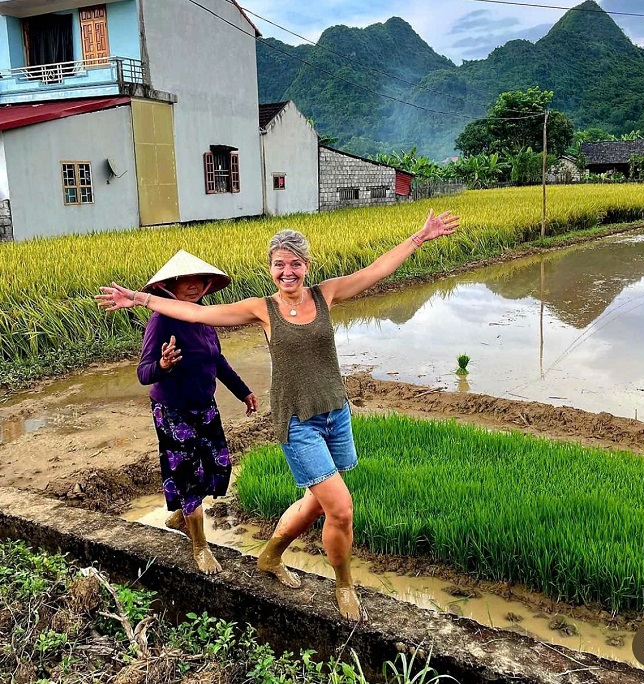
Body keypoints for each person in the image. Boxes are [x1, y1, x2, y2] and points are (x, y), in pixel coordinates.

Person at [98, 209, 459, 619]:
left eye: (295, 263)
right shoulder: (261, 309)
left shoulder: (326, 294)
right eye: (279, 264)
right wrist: (141, 298)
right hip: (296, 420)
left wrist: (419, 238)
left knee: (317, 502)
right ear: (270, 268)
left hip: (335, 414)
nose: (287, 272)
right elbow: (197, 314)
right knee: (341, 507)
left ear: (307, 266)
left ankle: (269, 555)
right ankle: (344, 585)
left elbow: (376, 270)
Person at [136, 250, 258, 576]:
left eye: (198, 281)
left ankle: (179, 517)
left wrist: (243, 391)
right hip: (173, 411)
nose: (192, 286)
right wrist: (162, 365)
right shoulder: (161, 321)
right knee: (189, 476)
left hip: (205, 405)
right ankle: (200, 546)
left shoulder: (203, 316)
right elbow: (144, 373)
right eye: (184, 280)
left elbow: (217, 360)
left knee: (219, 465)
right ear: (169, 286)